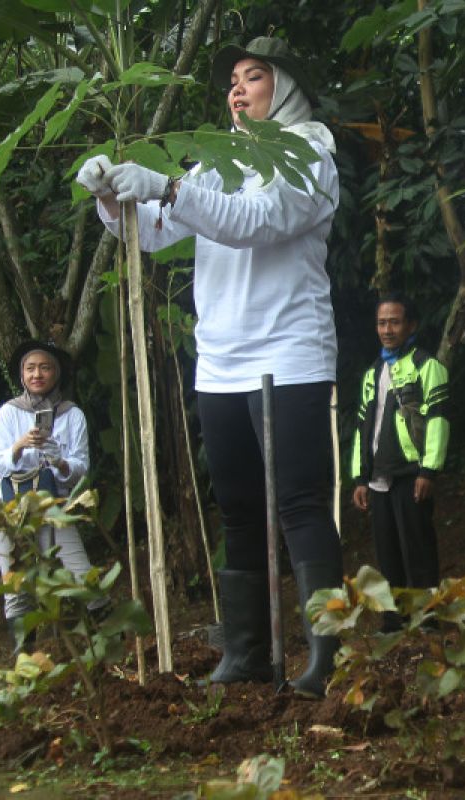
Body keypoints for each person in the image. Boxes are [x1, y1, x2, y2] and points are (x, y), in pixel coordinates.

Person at [75, 36, 342, 698]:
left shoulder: (311, 152)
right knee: (240, 508)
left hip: (289, 350)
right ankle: (249, 652)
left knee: (301, 504)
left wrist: (166, 184)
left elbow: (258, 220)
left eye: (255, 76)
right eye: (232, 79)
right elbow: (164, 229)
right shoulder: (219, 160)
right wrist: (115, 199)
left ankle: (327, 656)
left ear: (285, 88)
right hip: (221, 360)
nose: (239, 88)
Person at [0, 340, 103, 655]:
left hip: (54, 508)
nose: (37, 374)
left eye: (45, 367)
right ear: (22, 374)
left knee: (81, 574)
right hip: (11, 509)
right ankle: (25, 665)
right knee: (16, 586)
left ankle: (109, 648)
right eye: (30, 368)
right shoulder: (10, 413)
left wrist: (57, 459)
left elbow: (80, 468)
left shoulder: (72, 415)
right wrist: (20, 446)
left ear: (57, 373)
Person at [349, 294, 449, 630]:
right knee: (387, 549)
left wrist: (429, 470)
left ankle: (427, 617)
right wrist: (360, 478)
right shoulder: (372, 373)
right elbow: (364, 427)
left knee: (417, 546)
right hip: (378, 475)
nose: (387, 329)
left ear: (411, 325)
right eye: (381, 322)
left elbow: (437, 421)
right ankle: (393, 619)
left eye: (394, 322)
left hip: (410, 472)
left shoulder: (426, 366)